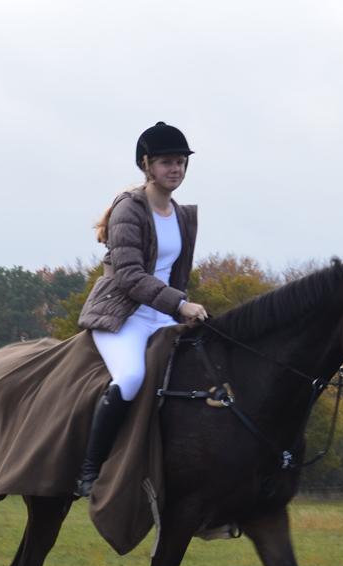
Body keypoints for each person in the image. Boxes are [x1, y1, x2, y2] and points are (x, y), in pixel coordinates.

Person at [74, 121, 209, 498]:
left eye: (181, 162)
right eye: (167, 162)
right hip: (123, 315)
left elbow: (175, 274)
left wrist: (180, 308)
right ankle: (89, 469)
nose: (176, 169)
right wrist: (181, 305)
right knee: (132, 376)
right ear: (146, 165)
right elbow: (131, 276)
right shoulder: (128, 210)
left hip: (163, 317)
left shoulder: (183, 215)